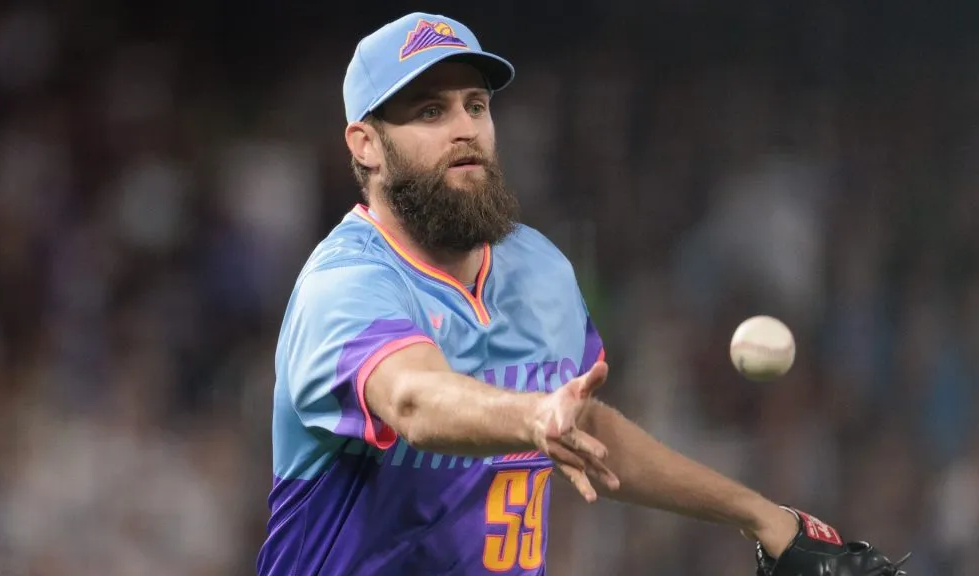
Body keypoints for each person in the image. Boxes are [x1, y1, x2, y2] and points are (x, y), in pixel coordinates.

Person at [255, 12, 909, 576]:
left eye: (475, 106)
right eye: (430, 110)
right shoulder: (343, 285)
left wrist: (763, 519)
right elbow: (414, 400)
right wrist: (531, 419)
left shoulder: (538, 270)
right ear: (366, 144)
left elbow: (585, 431)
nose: (465, 128)